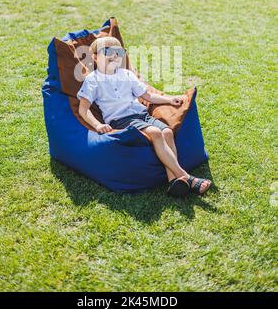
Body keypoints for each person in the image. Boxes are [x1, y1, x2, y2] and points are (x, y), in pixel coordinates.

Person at [78, 36, 211, 197]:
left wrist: (170, 99)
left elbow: (148, 95)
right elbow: (83, 109)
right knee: (155, 132)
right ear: (94, 57)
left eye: (118, 52)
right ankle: (187, 177)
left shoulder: (127, 74)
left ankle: (173, 181)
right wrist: (97, 125)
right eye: (107, 51)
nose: (113, 55)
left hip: (141, 114)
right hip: (120, 119)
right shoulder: (93, 80)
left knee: (167, 132)